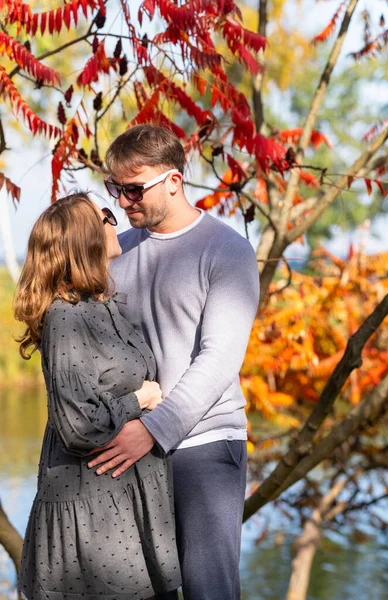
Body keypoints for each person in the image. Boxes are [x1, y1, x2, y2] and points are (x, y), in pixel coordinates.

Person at [88, 125, 260, 599]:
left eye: (133, 188)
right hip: (131, 446)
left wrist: (153, 429)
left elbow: (219, 360)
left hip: (204, 445)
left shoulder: (227, 251)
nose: (123, 201)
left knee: (209, 591)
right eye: (115, 189)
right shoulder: (117, 255)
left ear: (174, 181)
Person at [14, 193, 181, 600]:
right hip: (94, 511)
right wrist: (139, 400)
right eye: (105, 215)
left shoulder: (102, 306)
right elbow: (77, 425)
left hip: (129, 498)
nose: (115, 218)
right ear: (85, 237)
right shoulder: (65, 317)